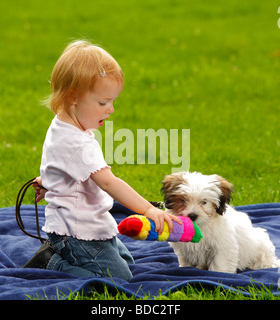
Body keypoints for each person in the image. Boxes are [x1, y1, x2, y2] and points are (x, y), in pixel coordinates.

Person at [23, 40, 181, 281]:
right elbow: (109, 183)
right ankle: (51, 262)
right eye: (103, 103)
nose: (111, 110)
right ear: (73, 98)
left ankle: (61, 253)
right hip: (75, 233)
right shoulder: (78, 143)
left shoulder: (63, 125)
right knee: (117, 279)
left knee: (126, 262)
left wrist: (51, 182)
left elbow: (62, 163)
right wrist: (148, 209)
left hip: (90, 226)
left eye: (112, 102)